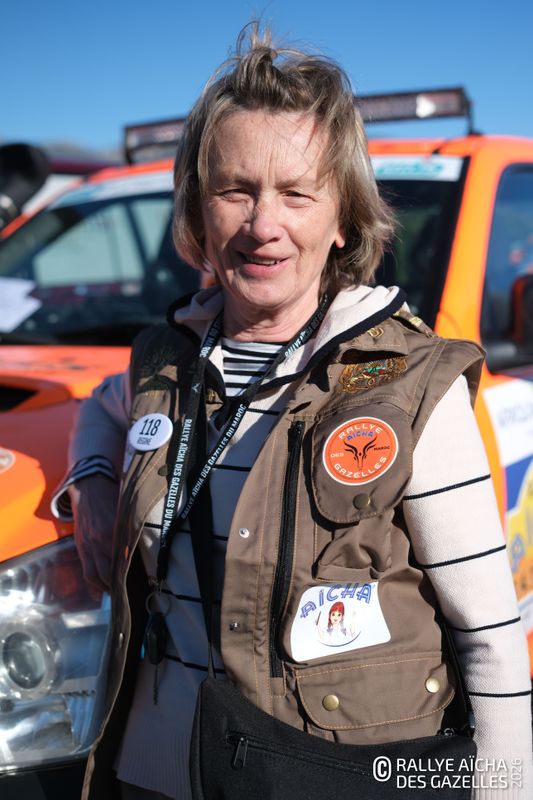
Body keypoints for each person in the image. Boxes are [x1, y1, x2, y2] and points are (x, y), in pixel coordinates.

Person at [56, 25, 532, 800]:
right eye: (235, 189)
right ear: (198, 211)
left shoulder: (412, 384)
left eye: (296, 193)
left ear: (342, 217)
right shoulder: (162, 360)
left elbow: (489, 638)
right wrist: (93, 478)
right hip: (148, 771)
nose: (262, 224)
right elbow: (101, 407)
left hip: (331, 776)